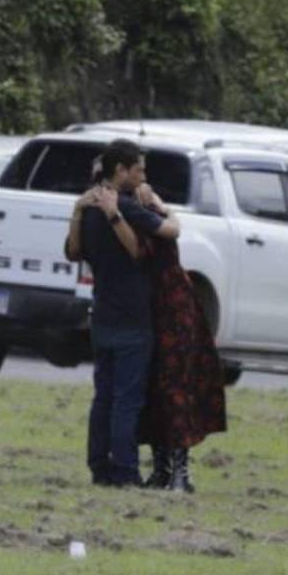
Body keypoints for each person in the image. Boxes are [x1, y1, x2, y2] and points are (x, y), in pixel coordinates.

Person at [73, 140, 180, 487]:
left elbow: (73, 252)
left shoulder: (88, 205)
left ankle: (99, 467)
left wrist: (76, 210)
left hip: (101, 313)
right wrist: (161, 206)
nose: (144, 176)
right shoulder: (125, 207)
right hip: (133, 318)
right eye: (139, 170)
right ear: (121, 170)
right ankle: (125, 471)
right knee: (127, 399)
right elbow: (166, 233)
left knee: (103, 395)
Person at [132, 182, 227, 493]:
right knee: (154, 389)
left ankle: (179, 471)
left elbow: (164, 235)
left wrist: (161, 207)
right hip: (155, 310)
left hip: (171, 311)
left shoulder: (147, 217)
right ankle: (163, 468)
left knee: (174, 387)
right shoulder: (142, 215)